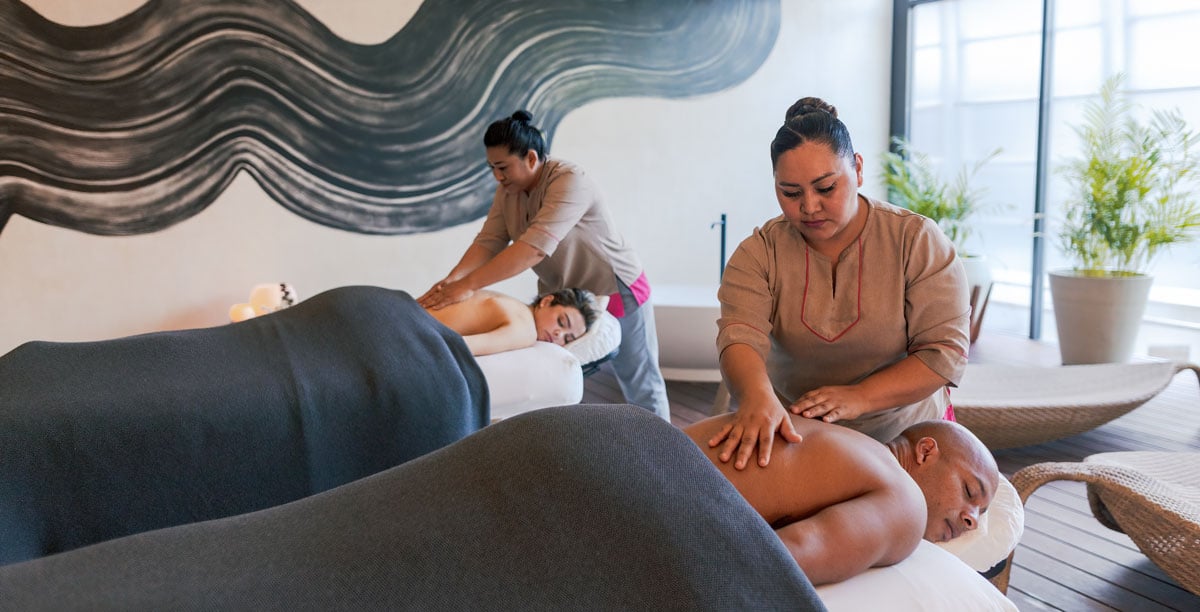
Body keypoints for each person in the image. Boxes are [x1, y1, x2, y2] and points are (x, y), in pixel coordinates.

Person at [711, 96, 970, 469]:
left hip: (909, 438)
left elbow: (944, 353)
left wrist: (860, 397)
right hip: (799, 437)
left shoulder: (916, 241)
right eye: (791, 193)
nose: (810, 207)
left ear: (858, 169)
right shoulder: (759, 252)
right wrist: (755, 397)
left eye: (826, 188)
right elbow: (739, 337)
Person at [419, 110, 670, 419]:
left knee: (640, 381)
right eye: (492, 168)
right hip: (564, 294)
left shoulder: (569, 181)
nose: (497, 176)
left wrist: (467, 285)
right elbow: (489, 241)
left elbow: (532, 250)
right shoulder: (508, 192)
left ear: (531, 158)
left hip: (615, 288)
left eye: (503, 167)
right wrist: (449, 285)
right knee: (559, 379)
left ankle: (672, 458)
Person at [685, 414, 998, 586]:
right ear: (925, 452)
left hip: (648, 445)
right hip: (654, 494)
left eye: (980, 513)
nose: (971, 520)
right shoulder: (907, 502)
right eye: (970, 491)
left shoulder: (848, 448)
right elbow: (779, 559)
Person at [425, 287, 598, 356]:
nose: (559, 334)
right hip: (414, 334)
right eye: (561, 322)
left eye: (567, 339)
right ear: (546, 301)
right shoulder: (525, 330)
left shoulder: (511, 303)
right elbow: (456, 348)